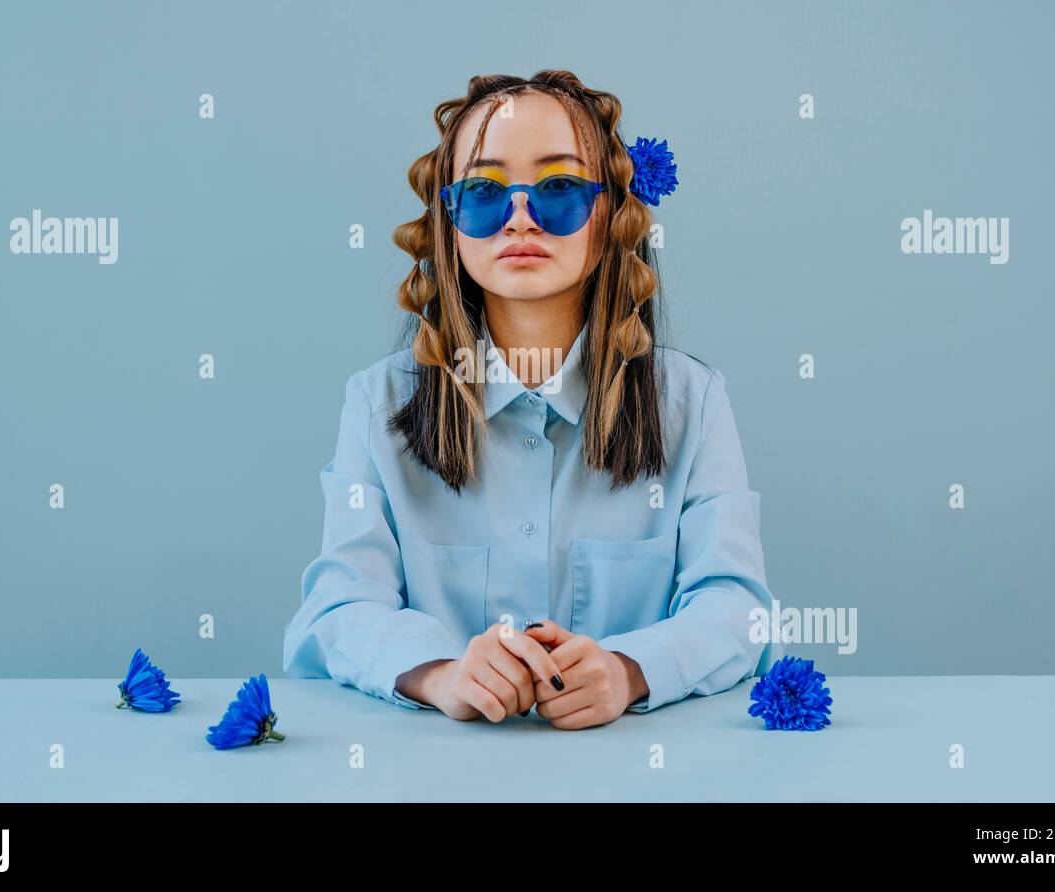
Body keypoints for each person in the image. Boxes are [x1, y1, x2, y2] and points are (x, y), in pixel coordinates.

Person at [283, 69, 781, 730]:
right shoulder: (377, 405)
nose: (520, 216)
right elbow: (337, 609)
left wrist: (629, 671)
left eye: (559, 190)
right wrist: (440, 675)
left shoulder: (692, 403)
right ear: (450, 222)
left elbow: (736, 608)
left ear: (609, 215)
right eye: (485, 194)